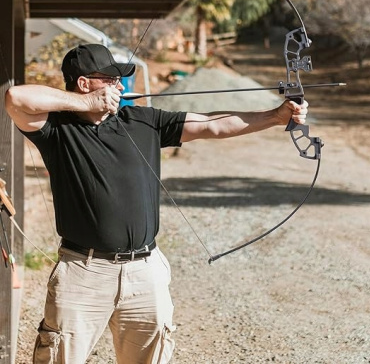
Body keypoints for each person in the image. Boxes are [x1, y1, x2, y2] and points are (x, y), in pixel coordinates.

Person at [5, 43, 309, 364]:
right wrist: (84, 103)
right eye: (109, 80)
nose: (118, 86)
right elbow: (15, 99)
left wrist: (274, 116)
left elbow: (212, 124)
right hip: (84, 273)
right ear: (84, 83)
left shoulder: (144, 121)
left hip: (144, 272)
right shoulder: (56, 128)